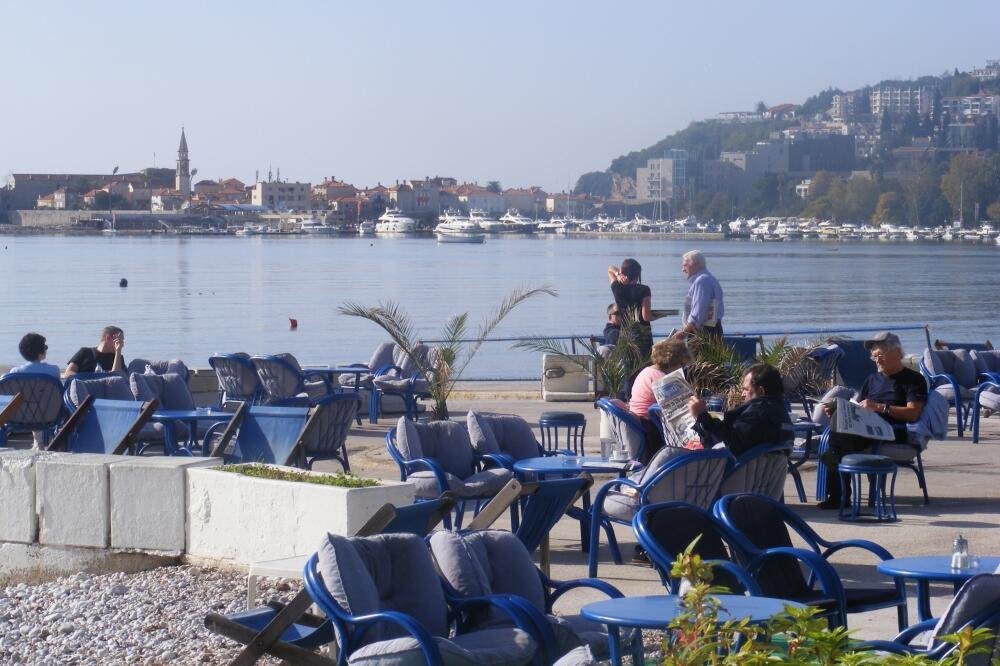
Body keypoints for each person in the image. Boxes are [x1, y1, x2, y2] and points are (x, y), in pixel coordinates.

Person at [817, 331, 927, 510]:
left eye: (880, 355)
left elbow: (913, 413)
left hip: (894, 429)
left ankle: (839, 496)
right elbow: (857, 405)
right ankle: (839, 493)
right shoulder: (872, 379)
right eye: (874, 356)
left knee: (836, 444)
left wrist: (879, 407)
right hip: (865, 427)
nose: (877, 360)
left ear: (898, 353)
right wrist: (840, 410)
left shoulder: (913, 380)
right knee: (837, 428)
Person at [687, 364, 792, 457]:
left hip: (739, 476)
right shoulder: (779, 411)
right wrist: (708, 416)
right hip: (766, 476)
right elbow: (731, 420)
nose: (742, 394)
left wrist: (702, 417)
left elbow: (730, 446)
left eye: (746, 389)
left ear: (760, 391)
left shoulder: (758, 411)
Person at [615, 338, 691, 465]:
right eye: (682, 365)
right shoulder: (663, 380)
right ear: (675, 361)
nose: (682, 369)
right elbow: (684, 407)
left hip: (638, 423)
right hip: (652, 427)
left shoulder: (646, 372)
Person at [607, 258, 653, 361]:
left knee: (629, 368)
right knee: (644, 365)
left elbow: (610, 269)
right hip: (643, 336)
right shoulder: (644, 289)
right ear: (637, 275)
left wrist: (618, 274)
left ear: (623, 272)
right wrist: (661, 314)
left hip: (626, 336)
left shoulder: (617, 288)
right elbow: (646, 316)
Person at [674, 250, 724, 340]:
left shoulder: (702, 281)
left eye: (685, 265)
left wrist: (683, 332)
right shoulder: (709, 279)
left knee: (700, 354)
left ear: (696, 265)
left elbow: (698, 313)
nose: (683, 269)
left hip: (702, 333)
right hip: (712, 330)